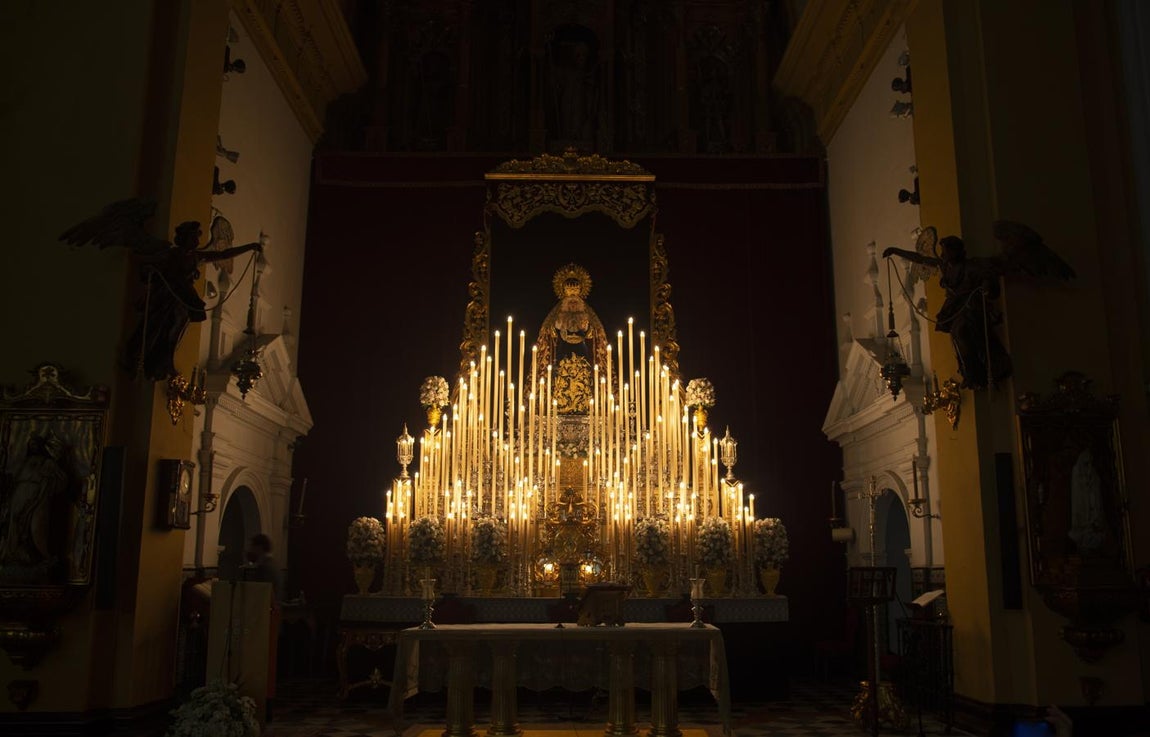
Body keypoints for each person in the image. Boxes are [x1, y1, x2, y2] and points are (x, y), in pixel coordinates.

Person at [125, 221, 263, 381]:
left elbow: (224, 254)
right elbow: (149, 265)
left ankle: (164, 361)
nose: (197, 240)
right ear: (185, 238)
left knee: (175, 331)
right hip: (167, 298)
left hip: (183, 300)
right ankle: (138, 357)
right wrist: (150, 270)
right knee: (156, 327)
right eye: (194, 236)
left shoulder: (195, 256)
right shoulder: (173, 254)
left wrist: (249, 247)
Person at [883, 236, 1011, 389]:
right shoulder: (945, 266)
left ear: (955, 251)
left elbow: (989, 277)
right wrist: (896, 251)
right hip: (955, 308)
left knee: (965, 333)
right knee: (958, 336)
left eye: (945, 251)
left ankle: (978, 373)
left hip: (971, 307)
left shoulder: (971, 266)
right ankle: (971, 373)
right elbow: (920, 259)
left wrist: (986, 286)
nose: (943, 255)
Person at [0, 431, 69, 575]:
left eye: (35, 444)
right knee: (14, 519)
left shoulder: (47, 463)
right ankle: (12, 551)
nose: (33, 447)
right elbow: (15, 478)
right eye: (31, 445)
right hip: (19, 493)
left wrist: (48, 484)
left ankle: (30, 551)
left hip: (35, 494)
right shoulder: (25, 462)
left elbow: (62, 480)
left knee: (30, 521)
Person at [244, 533, 283, 721]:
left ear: (259, 547)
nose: (249, 549)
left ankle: (261, 704)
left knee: (262, 664)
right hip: (267, 618)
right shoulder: (270, 565)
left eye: (252, 545)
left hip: (262, 620)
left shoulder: (266, 568)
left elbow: (265, 594)